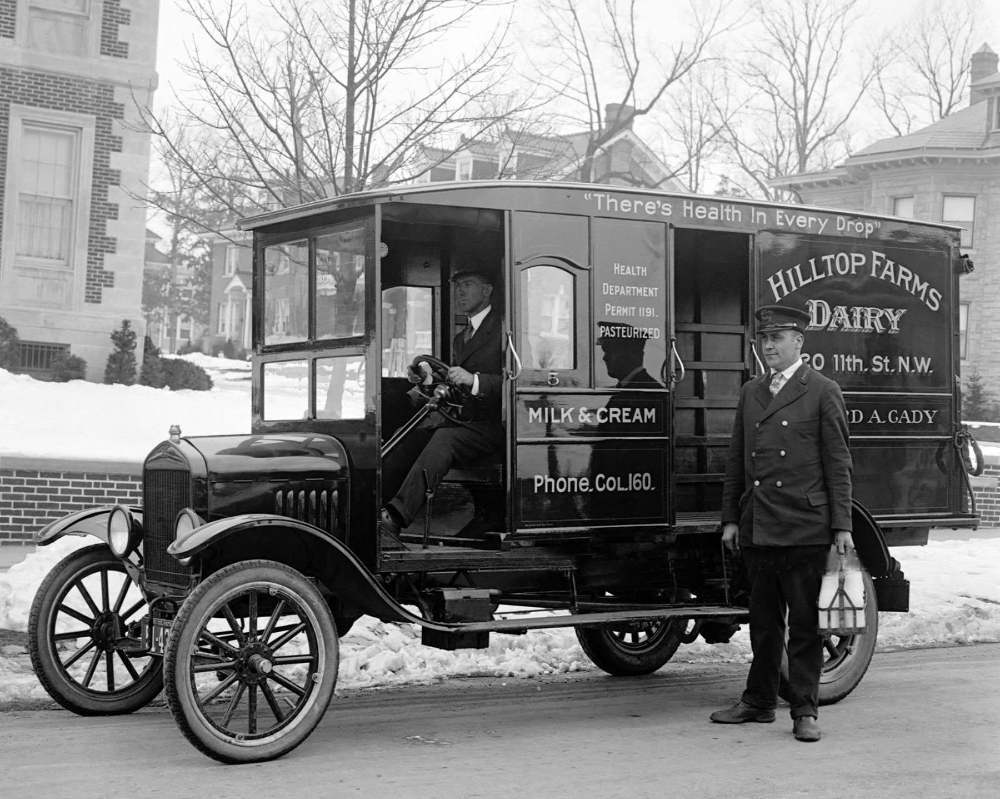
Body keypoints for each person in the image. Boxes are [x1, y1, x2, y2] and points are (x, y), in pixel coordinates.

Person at [711, 303, 854, 743]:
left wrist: (842, 524)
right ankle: (758, 702)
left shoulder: (823, 390)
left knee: (806, 625)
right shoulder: (752, 392)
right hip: (759, 525)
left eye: (777, 338)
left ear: (799, 342)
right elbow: (737, 459)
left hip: (804, 525)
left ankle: (805, 710)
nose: (768, 346)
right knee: (763, 622)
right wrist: (731, 518)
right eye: (764, 339)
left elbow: (838, 462)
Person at [379, 268, 503, 540]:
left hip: (497, 425)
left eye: (467, 284)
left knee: (444, 439)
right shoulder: (464, 336)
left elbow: (518, 380)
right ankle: (373, 508)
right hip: (467, 421)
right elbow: (454, 376)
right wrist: (426, 378)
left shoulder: (504, 329)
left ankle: (396, 516)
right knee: (408, 436)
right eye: (457, 286)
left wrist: (475, 380)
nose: (460, 291)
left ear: (487, 290)